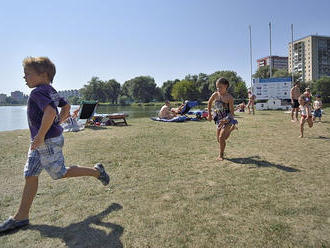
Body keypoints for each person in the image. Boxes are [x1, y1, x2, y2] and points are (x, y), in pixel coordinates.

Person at [0, 57, 110, 233]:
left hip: (46, 141)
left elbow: (51, 111)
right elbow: (65, 107)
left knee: (60, 173)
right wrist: (58, 123)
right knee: (30, 174)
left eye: (28, 74)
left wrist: (42, 134)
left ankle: (97, 172)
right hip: (42, 141)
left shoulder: (37, 92)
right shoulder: (50, 90)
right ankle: (21, 217)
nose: (24, 78)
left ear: (43, 74)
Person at [207, 78, 238, 161]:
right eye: (217, 87)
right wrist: (209, 114)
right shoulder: (215, 95)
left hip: (228, 119)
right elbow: (209, 103)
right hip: (219, 118)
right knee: (220, 139)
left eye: (220, 87)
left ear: (226, 86)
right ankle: (231, 130)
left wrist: (226, 119)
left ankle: (221, 155)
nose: (218, 89)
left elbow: (232, 112)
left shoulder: (229, 97)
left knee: (221, 137)